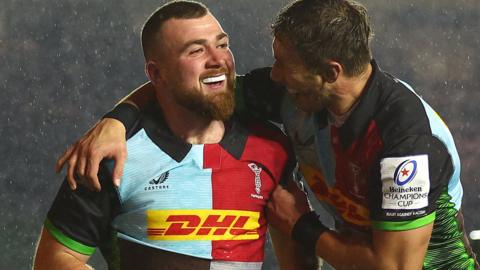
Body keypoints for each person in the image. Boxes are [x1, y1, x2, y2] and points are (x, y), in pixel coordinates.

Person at [56, 0, 479, 269]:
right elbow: (188, 87)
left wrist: (301, 226)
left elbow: (393, 269)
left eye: (283, 63)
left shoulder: (402, 141)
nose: (272, 74)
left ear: (329, 72)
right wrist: (115, 120)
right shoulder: (292, 94)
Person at [34, 1, 317, 269]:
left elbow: (297, 254)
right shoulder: (112, 155)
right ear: (157, 74)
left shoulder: (272, 147)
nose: (218, 59)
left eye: (222, 44)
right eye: (196, 51)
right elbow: (55, 258)